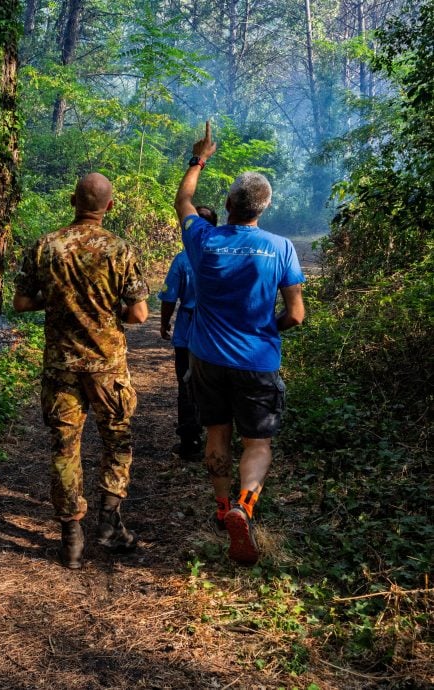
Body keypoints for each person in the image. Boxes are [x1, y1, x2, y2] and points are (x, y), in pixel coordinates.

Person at [174, 122, 306, 565]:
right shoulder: (281, 247)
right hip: (258, 358)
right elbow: (296, 314)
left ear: (229, 204)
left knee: (216, 433)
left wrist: (200, 158)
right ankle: (243, 507)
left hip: (207, 357)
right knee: (257, 442)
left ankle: (219, 505)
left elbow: (184, 201)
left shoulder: (204, 240)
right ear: (263, 209)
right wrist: (269, 329)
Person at [14, 173, 150, 569]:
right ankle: (109, 521)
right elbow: (139, 313)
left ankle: (72, 536)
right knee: (117, 439)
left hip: (61, 366)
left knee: (64, 447)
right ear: (109, 206)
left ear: (72, 200)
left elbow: (22, 302)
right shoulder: (121, 250)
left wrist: (59, 301)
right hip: (107, 366)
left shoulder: (44, 247)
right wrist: (108, 310)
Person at [158, 205, 217, 461]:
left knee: (186, 383)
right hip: (216, 333)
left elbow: (170, 296)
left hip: (187, 332)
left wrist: (164, 322)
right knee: (214, 383)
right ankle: (217, 437)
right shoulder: (225, 256)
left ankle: (190, 441)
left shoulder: (182, 259)